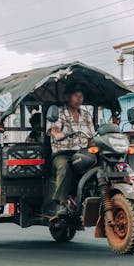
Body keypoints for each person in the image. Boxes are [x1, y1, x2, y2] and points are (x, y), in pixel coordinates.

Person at [47, 83, 95, 217]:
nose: (79, 99)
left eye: (81, 96)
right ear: (68, 97)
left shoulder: (86, 115)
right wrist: (63, 134)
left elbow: (91, 138)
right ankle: (61, 204)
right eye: (76, 96)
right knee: (65, 167)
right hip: (63, 153)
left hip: (82, 153)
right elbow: (55, 133)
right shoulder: (59, 113)